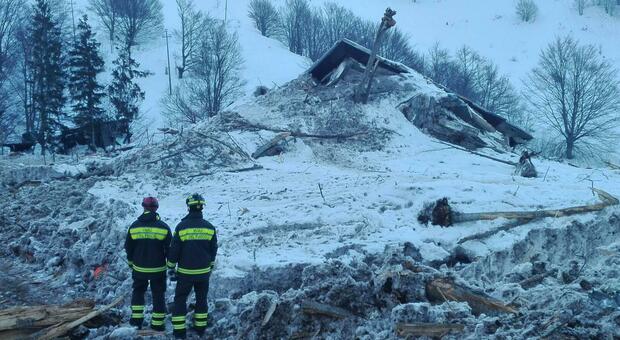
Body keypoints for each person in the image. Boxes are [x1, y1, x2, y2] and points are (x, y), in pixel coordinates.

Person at [167, 194, 218, 339]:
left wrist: (171, 266)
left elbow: (174, 249)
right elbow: (213, 248)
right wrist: (210, 265)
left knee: (180, 299)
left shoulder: (181, 227)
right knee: (202, 299)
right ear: (202, 207)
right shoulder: (209, 227)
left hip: (185, 273)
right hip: (203, 273)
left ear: (188, 207)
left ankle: (179, 331)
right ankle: (201, 328)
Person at [124, 197, 172, 331]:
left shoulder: (134, 226)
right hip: (158, 269)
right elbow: (170, 249)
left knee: (138, 292)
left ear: (143, 207)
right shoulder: (163, 227)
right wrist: (171, 265)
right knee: (158, 294)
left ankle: (136, 321)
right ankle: (157, 324)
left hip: (139, 268)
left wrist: (131, 262)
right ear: (156, 208)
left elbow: (128, 247)